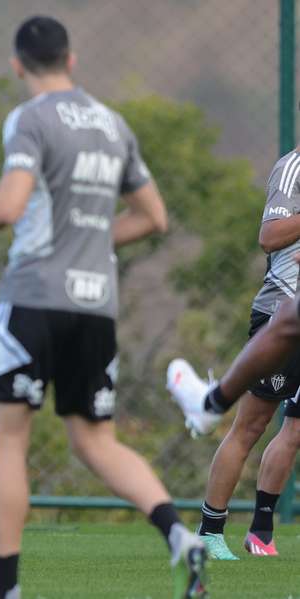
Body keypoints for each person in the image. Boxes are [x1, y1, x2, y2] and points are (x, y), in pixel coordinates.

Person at [0, 16, 208, 599]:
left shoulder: (30, 118)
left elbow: (9, 206)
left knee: (8, 440)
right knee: (97, 441)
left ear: (18, 65)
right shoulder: (113, 125)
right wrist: (88, 244)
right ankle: (178, 536)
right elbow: (153, 218)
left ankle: (7, 589)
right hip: (97, 305)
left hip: (35, 297)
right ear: (72, 59)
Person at [167, 147, 300, 559]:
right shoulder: (294, 167)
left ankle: (261, 533)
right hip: (283, 314)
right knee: (251, 424)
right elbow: (270, 237)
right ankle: (210, 530)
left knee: (295, 430)